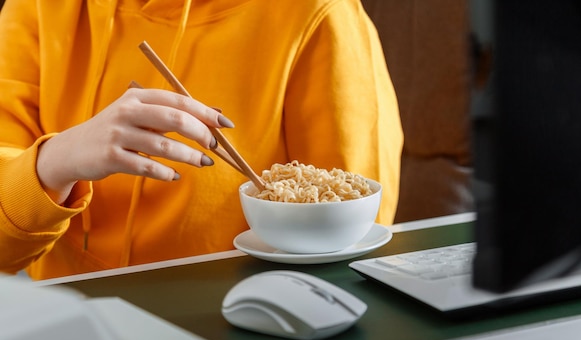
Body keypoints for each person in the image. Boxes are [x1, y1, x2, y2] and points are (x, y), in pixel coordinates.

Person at [0, 0, 403, 280]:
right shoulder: (39, 9)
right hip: (68, 324)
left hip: (240, 324)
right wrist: (55, 161)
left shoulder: (318, 15)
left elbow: (350, 246)